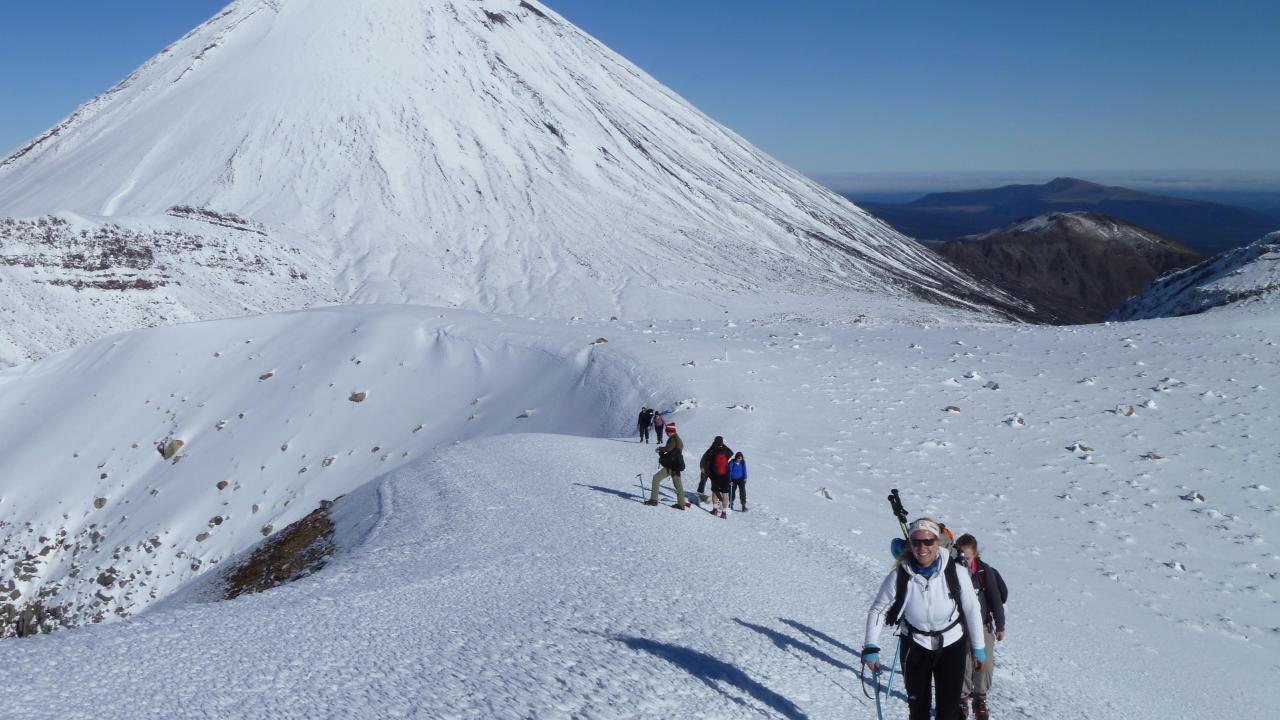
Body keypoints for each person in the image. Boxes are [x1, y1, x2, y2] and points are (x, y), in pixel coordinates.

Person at [862, 518, 986, 720]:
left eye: (928, 541)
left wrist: (978, 647)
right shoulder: (900, 575)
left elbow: (972, 608)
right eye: (916, 541)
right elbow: (878, 609)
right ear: (909, 544)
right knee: (918, 709)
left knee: (949, 710)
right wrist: (870, 646)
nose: (922, 547)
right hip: (914, 644)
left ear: (937, 543)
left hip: (951, 644)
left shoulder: (956, 572)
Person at [954, 534, 1006, 720]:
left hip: (983, 624)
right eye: (961, 556)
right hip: (959, 626)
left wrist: (1000, 625)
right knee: (963, 664)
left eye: (967, 557)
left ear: (975, 554)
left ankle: (980, 700)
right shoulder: (953, 570)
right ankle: (962, 701)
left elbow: (995, 598)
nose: (964, 561)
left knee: (985, 663)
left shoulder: (984, 571)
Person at [645, 422, 686, 509]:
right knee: (678, 485)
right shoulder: (678, 439)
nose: (666, 433)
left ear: (670, 431)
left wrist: (660, 448)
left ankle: (653, 500)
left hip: (671, 465)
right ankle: (681, 504)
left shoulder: (673, 439)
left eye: (667, 431)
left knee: (656, 478)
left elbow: (669, 448)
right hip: (677, 464)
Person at [698, 436, 733, 507]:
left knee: (711, 487)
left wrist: (702, 466)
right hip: (722, 472)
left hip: (712, 471)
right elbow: (731, 453)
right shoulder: (725, 450)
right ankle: (724, 510)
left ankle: (714, 507)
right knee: (723, 492)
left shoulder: (712, 449)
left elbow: (705, 457)